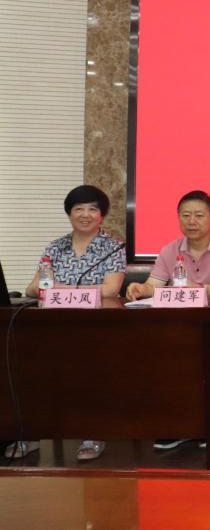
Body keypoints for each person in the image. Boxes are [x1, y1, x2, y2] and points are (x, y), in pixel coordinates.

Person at [12, 184, 126, 462]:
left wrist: (61, 288)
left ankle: (93, 433)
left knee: (90, 369)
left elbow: (111, 289)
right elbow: (33, 287)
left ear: (101, 215)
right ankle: (31, 433)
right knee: (27, 366)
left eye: (92, 209)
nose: (85, 215)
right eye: (79, 209)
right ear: (69, 213)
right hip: (54, 327)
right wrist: (47, 287)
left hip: (97, 329)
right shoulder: (56, 247)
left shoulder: (113, 247)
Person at [125, 189, 210, 451]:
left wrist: (196, 288)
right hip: (179, 326)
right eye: (185, 215)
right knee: (171, 366)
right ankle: (180, 426)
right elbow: (154, 284)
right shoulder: (169, 250)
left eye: (199, 215)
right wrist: (141, 289)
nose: (192, 221)